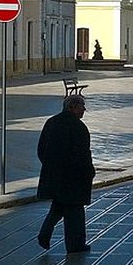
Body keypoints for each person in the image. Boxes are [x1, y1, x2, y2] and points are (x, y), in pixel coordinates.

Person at [36, 94, 95, 254]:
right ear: (73, 107)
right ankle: (75, 245)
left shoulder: (51, 122)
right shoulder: (78, 127)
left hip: (54, 175)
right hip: (73, 177)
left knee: (59, 206)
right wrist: (89, 172)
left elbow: (41, 149)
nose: (84, 110)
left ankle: (44, 234)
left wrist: (50, 166)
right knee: (74, 211)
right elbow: (83, 154)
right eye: (81, 106)